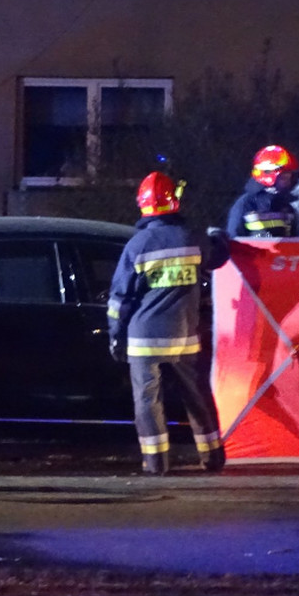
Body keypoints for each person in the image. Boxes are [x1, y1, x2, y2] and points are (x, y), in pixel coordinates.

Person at [108, 171, 227, 475]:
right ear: (174, 203)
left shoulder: (138, 245)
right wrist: (219, 236)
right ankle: (213, 457)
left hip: (144, 339)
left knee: (148, 402)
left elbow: (120, 299)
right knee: (198, 396)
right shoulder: (194, 238)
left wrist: (115, 337)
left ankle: (155, 462)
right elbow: (218, 257)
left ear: (144, 206)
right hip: (185, 335)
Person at [220, 145, 299, 238]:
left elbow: (293, 239)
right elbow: (233, 239)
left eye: (288, 173)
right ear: (267, 173)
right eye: (284, 174)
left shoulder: (286, 205)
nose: (288, 178)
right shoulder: (246, 204)